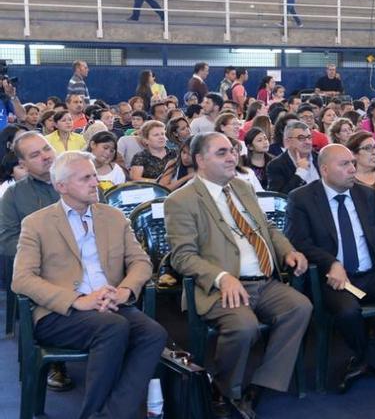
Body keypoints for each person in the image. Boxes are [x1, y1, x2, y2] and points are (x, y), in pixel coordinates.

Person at [166, 132, 312, 418]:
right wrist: (222, 277)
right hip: (221, 288)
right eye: (222, 152)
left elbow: (268, 228)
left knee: (300, 307)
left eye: (233, 150)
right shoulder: (180, 201)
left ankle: (262, 383)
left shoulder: (242, 188)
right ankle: (224, 389)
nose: (232, 156)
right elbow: (182, 257)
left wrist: (288, 252)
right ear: (200, 160)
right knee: (244, 326)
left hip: (265, 281)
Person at [12, 150, 166, 419]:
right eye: (86, 178)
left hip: (112, 302)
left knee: (154, 333)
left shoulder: (114, 217)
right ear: (61, 186)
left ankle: (108, 415)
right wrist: (76, 300)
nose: (95, 182)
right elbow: (22, 279)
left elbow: (141, 262)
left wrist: (124, 291)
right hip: (61, 312)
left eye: (94, 175)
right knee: (113, 328)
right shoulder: (36, 224)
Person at [286, 144, 375, 391]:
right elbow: (298, 241)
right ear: (324, 169)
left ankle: (368, 361)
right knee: (348, 312)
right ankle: (374, 360)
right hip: (334, 278)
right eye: (344, 164)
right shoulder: (302, 198)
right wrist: (331, 262)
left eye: (352, 163)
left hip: (370, 272)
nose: (352, 169)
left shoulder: (365, 194)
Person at [0, 132, 76, 391]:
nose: (45, 156)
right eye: (35, 155)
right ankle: (57, 360)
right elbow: (6, 240)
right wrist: (42, 256)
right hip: (46, 271)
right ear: (22, 164)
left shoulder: (78, 180)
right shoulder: (14, 196)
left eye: (46, 149)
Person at [266, 121, 320, 195]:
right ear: (288, 141)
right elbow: (279, 197)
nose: (308, 142)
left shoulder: (320, 158)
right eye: (301, 138)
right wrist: (301, 172)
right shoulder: (276, 165)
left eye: (309, 137)